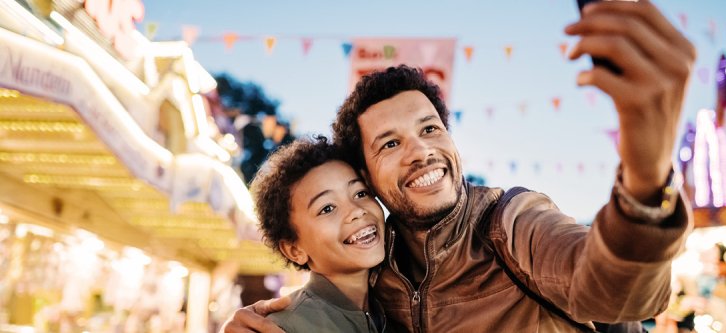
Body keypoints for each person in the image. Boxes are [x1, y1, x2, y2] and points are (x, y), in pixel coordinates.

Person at [222, 0, 695, 331]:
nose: (421, 151)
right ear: (366, 178)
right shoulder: (377, 271)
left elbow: (615, 290)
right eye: (389, 143)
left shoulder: (510, 222)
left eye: (430, 129)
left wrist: (647, 176)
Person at [244, 136, 389, 332]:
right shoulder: (282, 326)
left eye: (360, 193)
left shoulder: (394, 306)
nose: (356, 211)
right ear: (294, 250)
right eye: (327, 208)